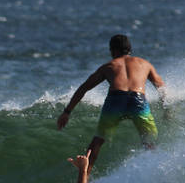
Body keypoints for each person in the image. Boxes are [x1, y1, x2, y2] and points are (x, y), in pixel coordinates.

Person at [56, 34, 165, 169]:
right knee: (149, 140)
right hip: (138, 100)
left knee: (98, 140)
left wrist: (67, 112)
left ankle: (85, 175)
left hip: (116, 99)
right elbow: (160, 86)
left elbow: (84, 88)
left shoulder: (109, 66)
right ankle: (155, 169)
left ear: (114, 50)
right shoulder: (145, 64)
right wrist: (167, 109)